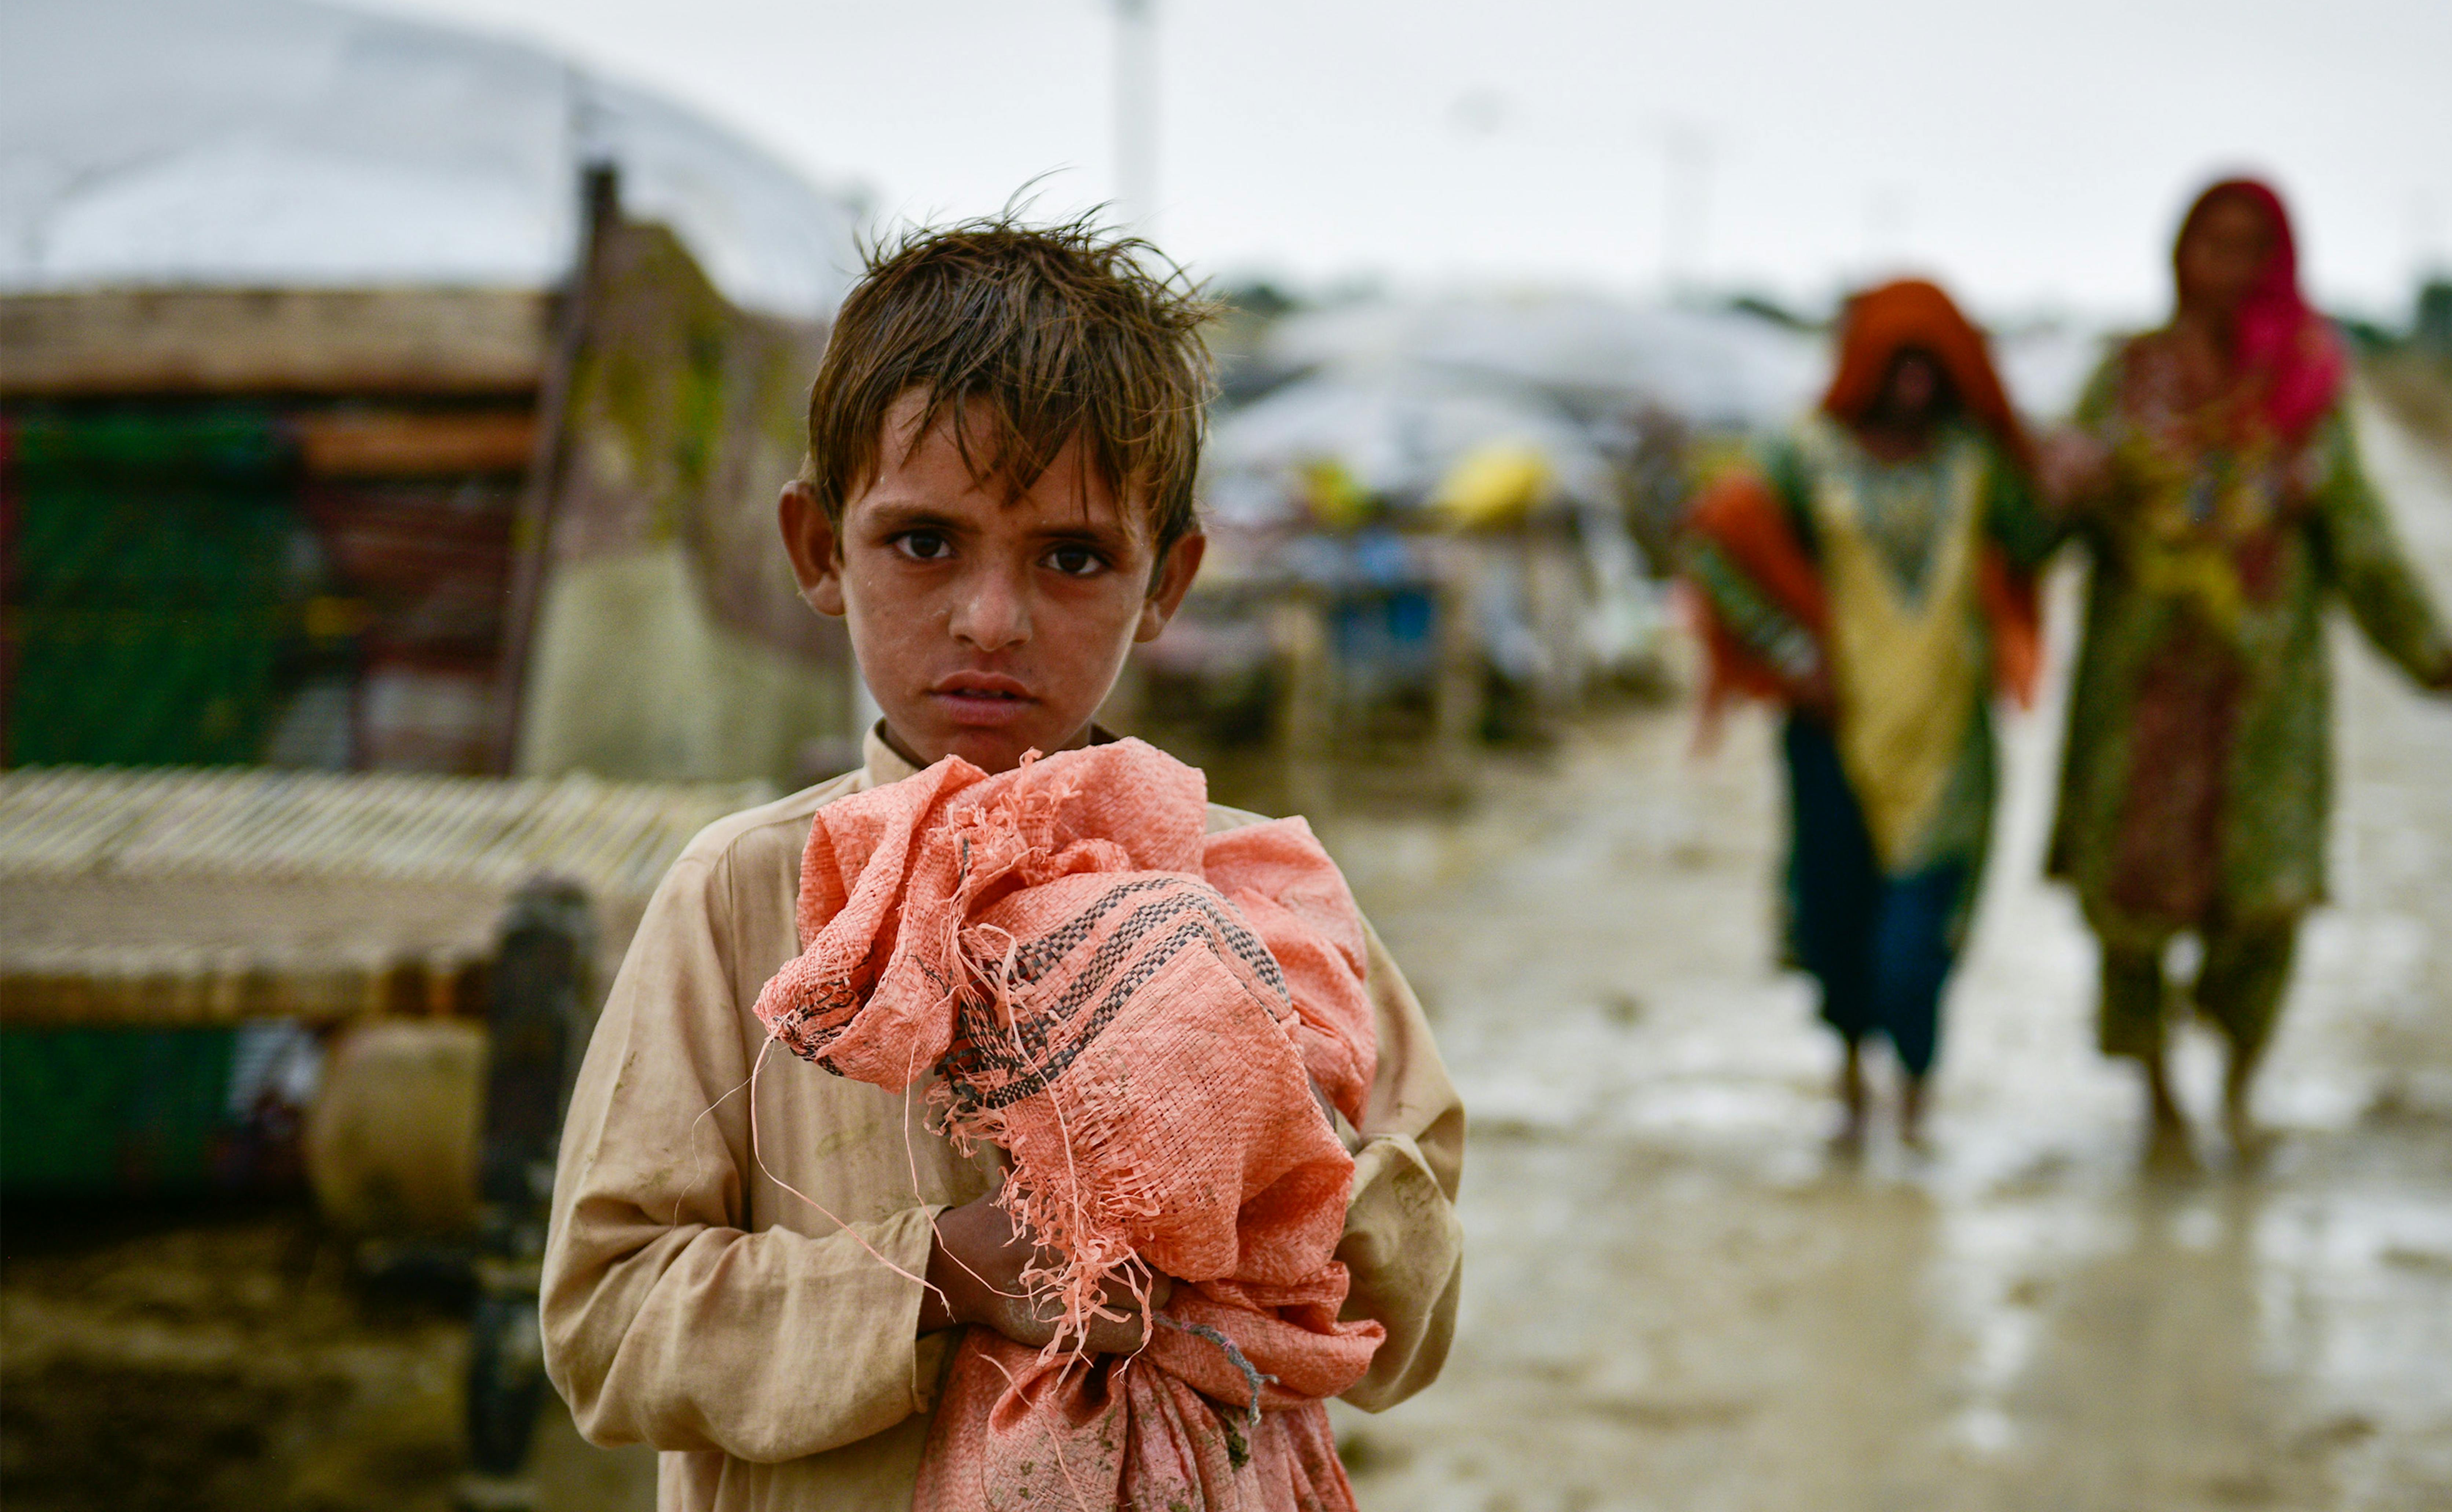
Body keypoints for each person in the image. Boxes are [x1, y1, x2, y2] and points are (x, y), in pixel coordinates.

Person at [539, 218, 1464, 1511]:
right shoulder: (742, 895)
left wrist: (1273, 1170)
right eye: (924, 541)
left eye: (1073, 557)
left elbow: (1407, 1319)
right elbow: (607, 1322)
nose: (989, 617)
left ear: (1168, 581)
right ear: (818, 549)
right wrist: (943, 1274)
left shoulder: (1259, 897)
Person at [2049, 177, 2452, 1169]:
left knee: (2263, 907)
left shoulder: (2304, 393)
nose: (2223, 266)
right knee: (2132, 911)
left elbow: (2364, 548)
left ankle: (2238, 1082)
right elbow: (2045, 518)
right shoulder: (2126, 381)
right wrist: (2061, 486)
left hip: (2263, 707)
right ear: (2175, 256)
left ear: (2279, 263)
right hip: (2143, 701)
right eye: (2206, 243)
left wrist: (2445, 662)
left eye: (2247, 247)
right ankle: (2159, 1097)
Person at [1685, 280, 2062, 1150]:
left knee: (1917, 942)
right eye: (1901, 364)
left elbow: (2037, 539)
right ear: (1865, 368)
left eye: (1934, 366)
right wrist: (1791, 659)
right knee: (1838, 916)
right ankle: (1852, 1089)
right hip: (1832, 737)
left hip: (1947, 738)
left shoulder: (1976, 462)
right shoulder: (1802, 454)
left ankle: (1918, 1100)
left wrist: (2068, 478)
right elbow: (1716, 545)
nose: (1917, 386)